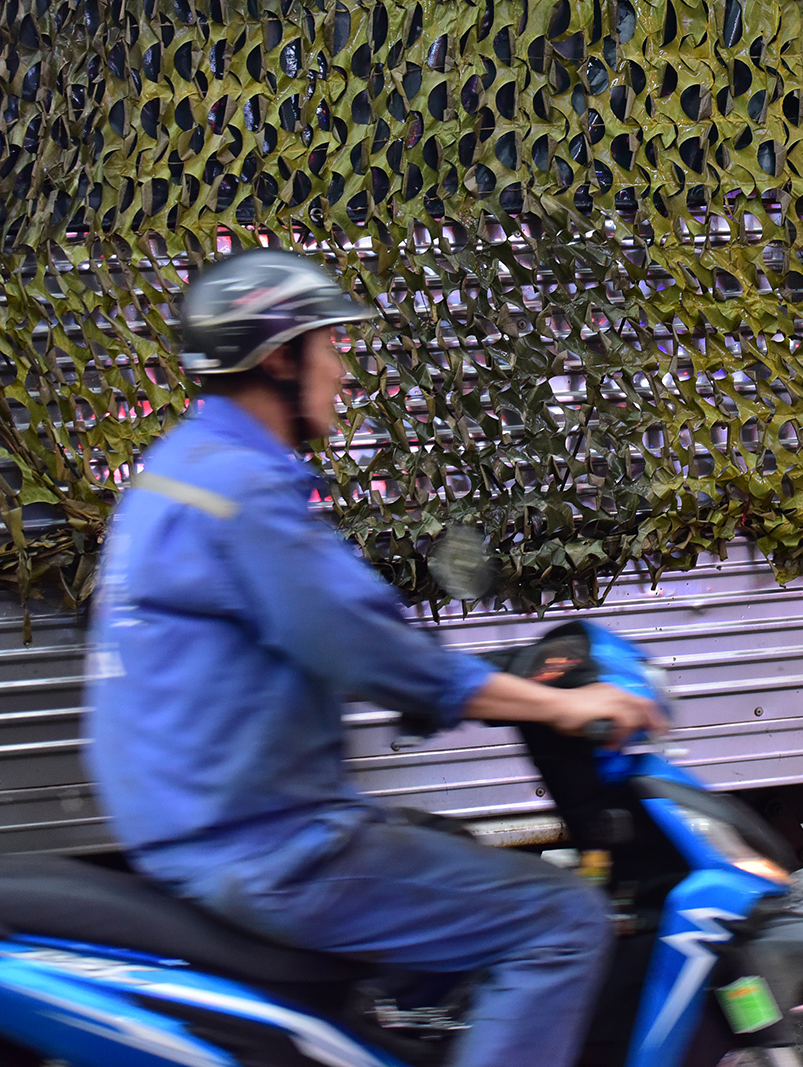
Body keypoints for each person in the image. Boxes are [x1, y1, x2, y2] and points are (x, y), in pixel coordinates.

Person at [85, 248, 667, 1067]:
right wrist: (560, 703)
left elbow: (322, 639)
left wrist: (472, 677)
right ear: (280, 359)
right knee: (558, 920)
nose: (344, 369)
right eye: (330, 345)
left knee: (440, 846)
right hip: (268, 845)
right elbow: (369, 648)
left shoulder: (180, 470)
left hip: (198, 827)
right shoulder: (245, 493)